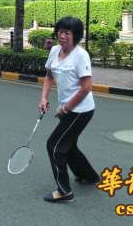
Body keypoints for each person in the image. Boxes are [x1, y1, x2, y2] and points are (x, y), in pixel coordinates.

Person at [38, 16, 100, 203]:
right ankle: (90, 176)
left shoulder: (81, 55)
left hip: (81, 110)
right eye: (60, 32)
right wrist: (44, 98)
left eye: (67, 33)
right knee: (69, 144)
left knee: (54, 146)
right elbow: (49, 76)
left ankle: (64, 191)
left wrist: (65, 108)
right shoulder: (55, 51)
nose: (62, 36)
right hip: (67, 108)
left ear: (76, 35)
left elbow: (86, 88)